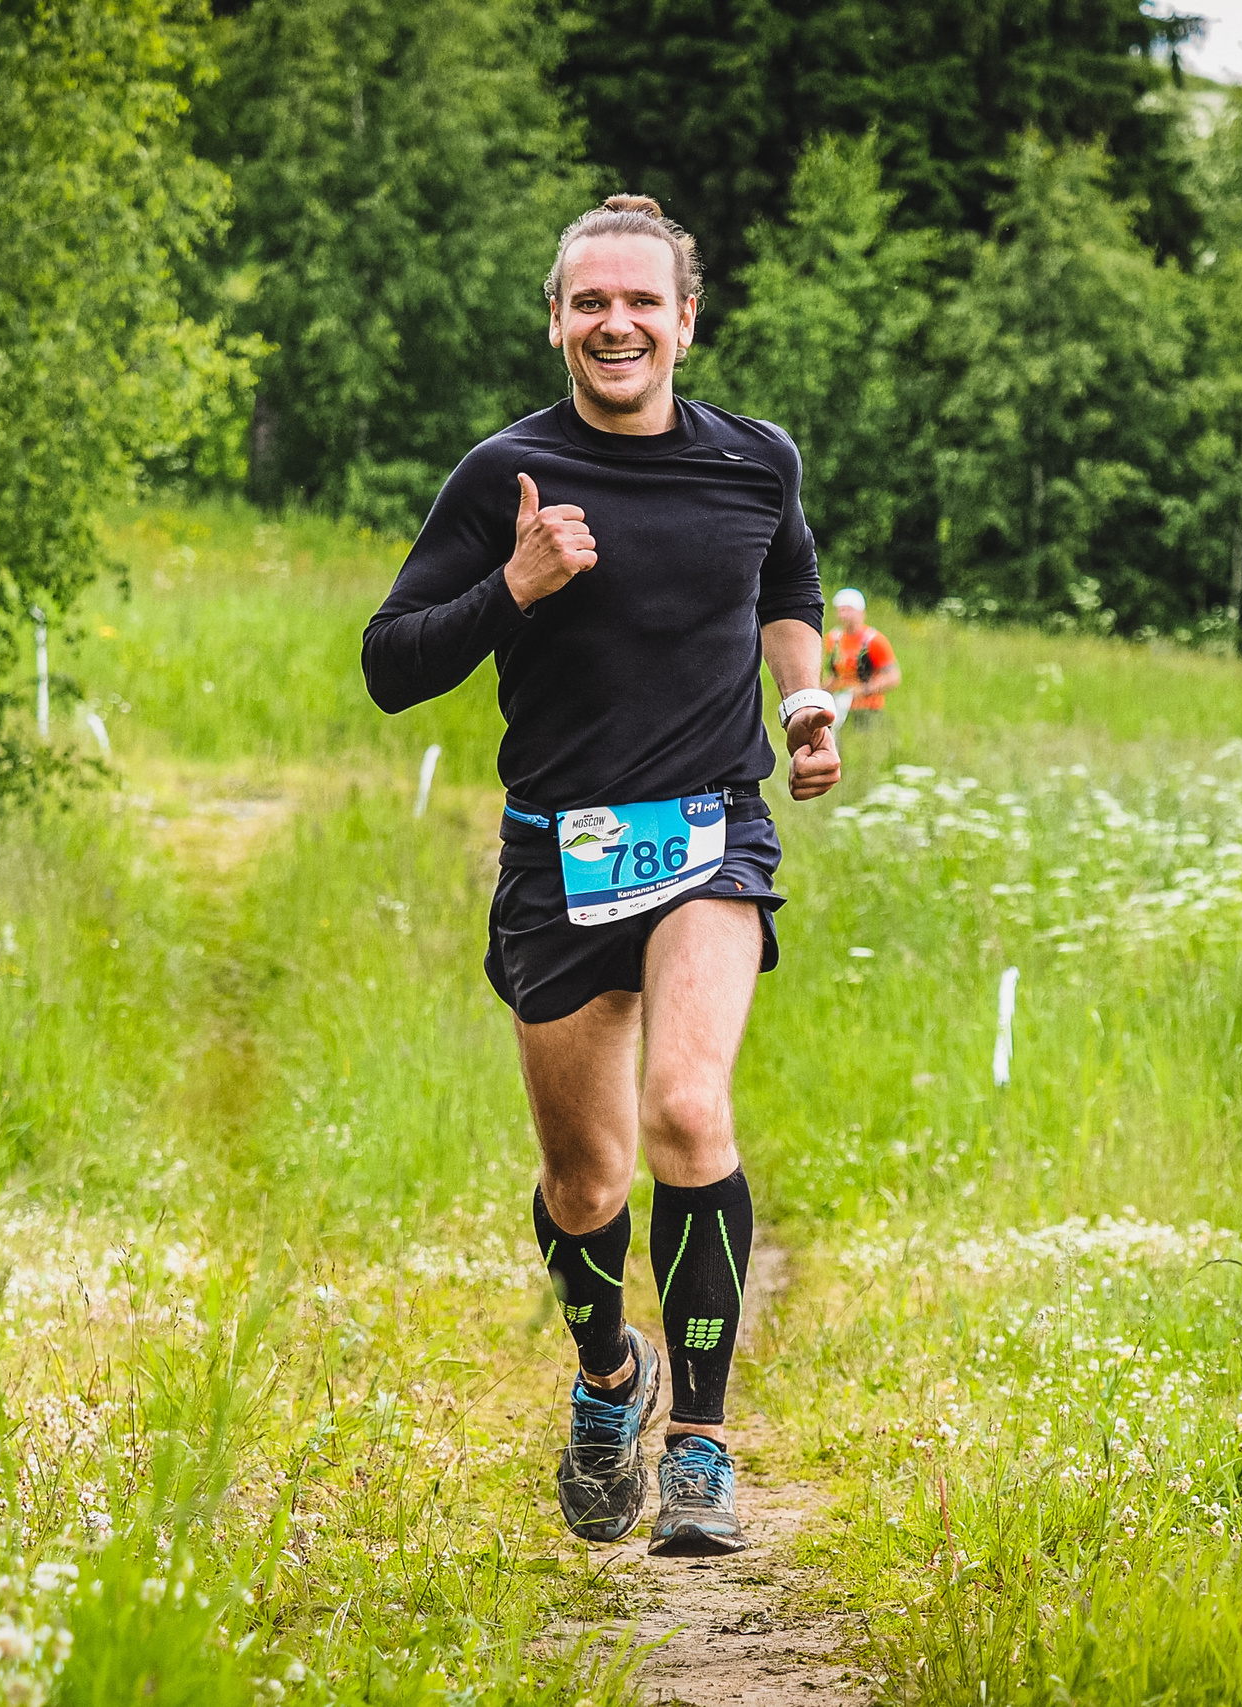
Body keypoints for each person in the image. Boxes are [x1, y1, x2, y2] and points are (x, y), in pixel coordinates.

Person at [360, 195, 840, 1555]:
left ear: (687, 318)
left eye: (642, 301)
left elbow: (786, 582)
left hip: (709, 831)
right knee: (585, 1183)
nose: (616, 324)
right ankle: (607, 1376)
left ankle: (699, 1441)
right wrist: (513, 584)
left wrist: (805, 704)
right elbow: (393, 665)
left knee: (691, 1105)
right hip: (555, 856)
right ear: (558, 320)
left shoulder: (756, 461)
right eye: (589, 303)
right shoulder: (502, 473)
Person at [819, 588, 899, 727]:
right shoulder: (833, 639)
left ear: (861, 612)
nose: (844, 614)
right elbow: (836, 674)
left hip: (867, 709)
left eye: (848, 610)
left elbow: (893, 677)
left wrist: (863, 690)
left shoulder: (873, 640)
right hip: (838, 707)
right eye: (840, 610)